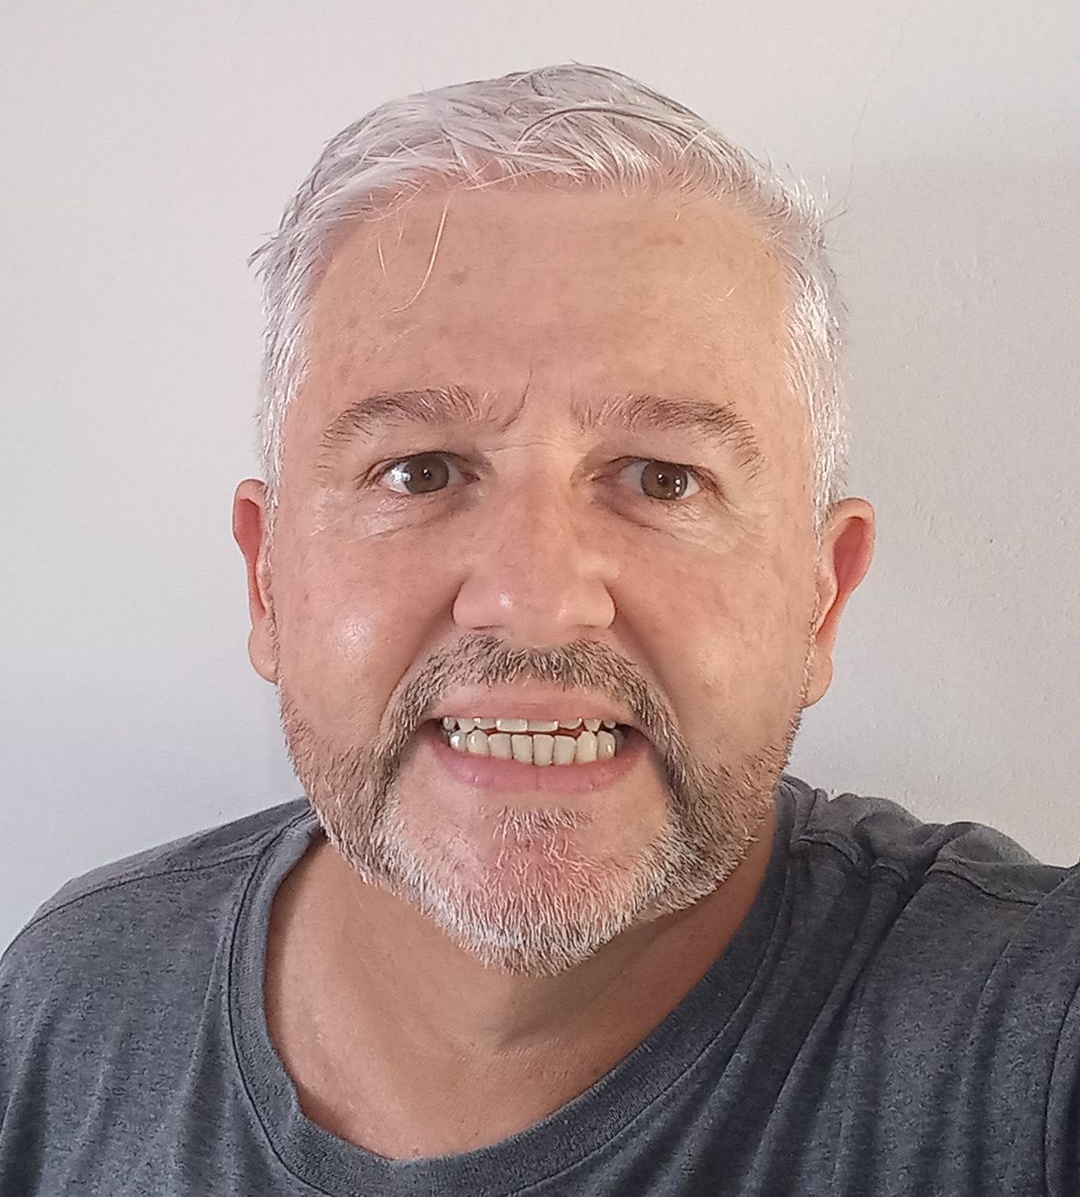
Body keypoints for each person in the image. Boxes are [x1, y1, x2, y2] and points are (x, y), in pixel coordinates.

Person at [1, 62, 1077, 1197]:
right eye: (420, 472)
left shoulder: (1026, 1036)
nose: (535, 600)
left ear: (823, 596)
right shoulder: (72, 1006)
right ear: (267, 580)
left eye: (663, 479)